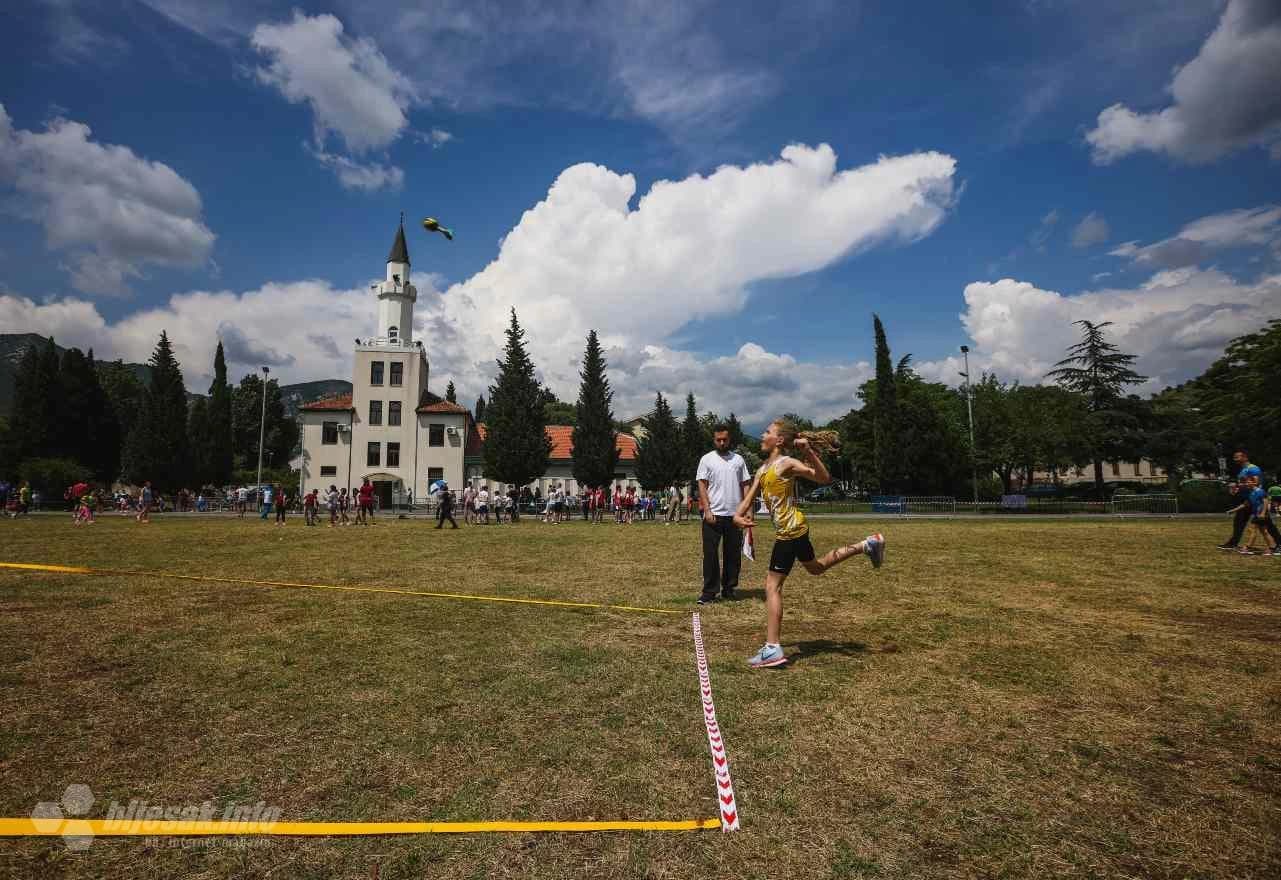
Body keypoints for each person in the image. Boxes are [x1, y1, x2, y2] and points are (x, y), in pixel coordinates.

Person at [732, 419, 885, 668]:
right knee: (816, 567)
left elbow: (823, 478)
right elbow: (747, 500)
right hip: (793, 530)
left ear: (779, 440)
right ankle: (867, 545)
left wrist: (808, 452)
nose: (762, 434)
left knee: (772, 587)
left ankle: (772, 648)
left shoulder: (786, 463)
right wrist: (738, 516)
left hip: (790, 531)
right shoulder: (762, 469)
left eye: (767, 432)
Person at [697, 425, 753, 604]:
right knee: (711, 554)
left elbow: (746, 485)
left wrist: (748, 510)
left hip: (735, 516)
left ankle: (729, 589)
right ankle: (709, 592)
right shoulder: (706, 459)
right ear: (714, 440)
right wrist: (707, 510)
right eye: (718, 440)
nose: (722, 443)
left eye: (725, 440)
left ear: (730, 440)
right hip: (713, 515)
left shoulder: (739, 460)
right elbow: (702, 485)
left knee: (733, 555)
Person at [1219, 448, 1262, 550]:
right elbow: (1245, 484)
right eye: (1234, 457)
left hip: (1254, 498)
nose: (1235, 459)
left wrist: (1239, 485)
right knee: (1239, 521)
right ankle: (1233, 543)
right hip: (1246, 498)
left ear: (1245, 457)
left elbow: (1257, 483)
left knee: (1264, 523)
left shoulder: (1253, 468)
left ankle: (1278, 544)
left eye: (1237, 457)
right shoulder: (1242, 470)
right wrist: (1236, 488)